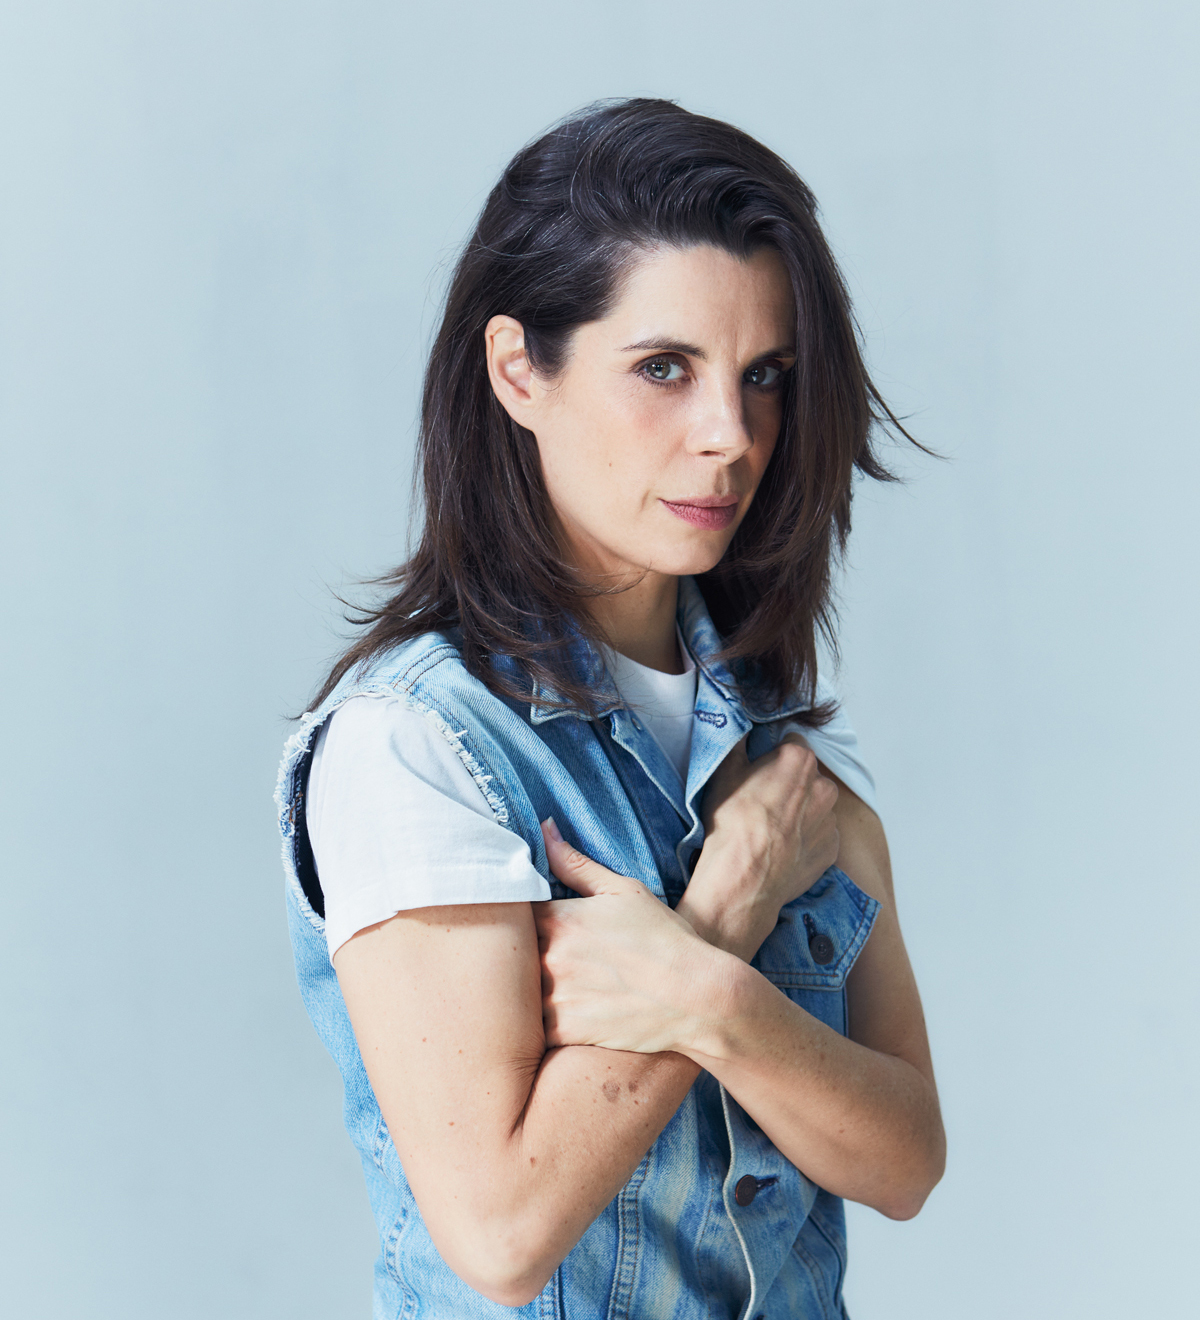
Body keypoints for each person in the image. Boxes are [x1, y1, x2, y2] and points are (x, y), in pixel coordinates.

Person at [276, 97, 944, 1318]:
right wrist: (728, 913)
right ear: (519, 368)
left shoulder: (782, 769)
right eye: (663, 369)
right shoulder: (416, 750)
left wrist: (708, 998)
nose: (730, 436)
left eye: (765, 377)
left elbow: (905, 1158)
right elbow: (498, 1229)